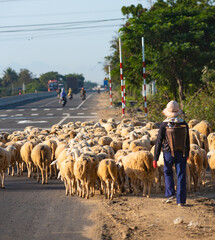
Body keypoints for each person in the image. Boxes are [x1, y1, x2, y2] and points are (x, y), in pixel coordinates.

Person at [153, 100, 190, 206]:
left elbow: (159, 141)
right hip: (182, 153)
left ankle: (170, 195)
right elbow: (187, 140)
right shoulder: (184, 124)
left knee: (168, 172)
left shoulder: (164, 124)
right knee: (181, 175)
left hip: (168, 153)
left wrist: (155, 158)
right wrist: (187, 153)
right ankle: (181, 201)